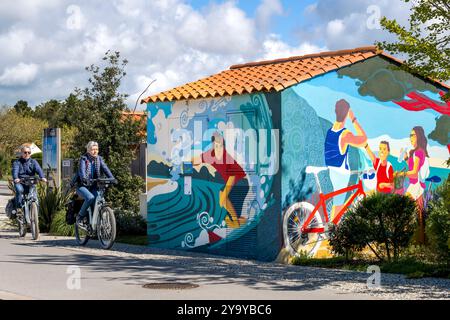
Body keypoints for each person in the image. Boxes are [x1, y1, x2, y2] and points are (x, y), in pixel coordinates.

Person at [193, 132, 249, 229]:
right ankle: (241, 221)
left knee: (222, 196)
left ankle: (236, 221)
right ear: (213, 146)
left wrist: (224, 195)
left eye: (221, 145)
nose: (219, 148)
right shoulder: (210, 155)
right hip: (235, 184)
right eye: (217, 145)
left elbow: (232, 177)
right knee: (227, 217)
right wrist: (185, 166)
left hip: (241, 183)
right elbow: (195, 160)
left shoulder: (227, 158)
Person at [75, 141, 114, 227]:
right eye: (93, 149)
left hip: (93, 185)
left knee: (99, 198)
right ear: (88, 150)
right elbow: (82, 171)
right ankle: (80, 217)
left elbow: (105, 168)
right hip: (82, 185)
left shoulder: (99, 159)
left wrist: (112, 178)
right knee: (90, 197)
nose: (95, 151)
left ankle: (96, 222)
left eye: (96, 149)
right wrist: (84, 179)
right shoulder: (83, 159)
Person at [12, 145, 47, 209]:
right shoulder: (17, 162)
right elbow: (15, 171)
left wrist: (42, 177)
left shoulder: (33, 161)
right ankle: (19, 209)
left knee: (35, 197)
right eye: (25, 152)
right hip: (20, 182)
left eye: (29, 152)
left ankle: (36, 214)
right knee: (20, 190)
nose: (27, 154)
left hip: (30, 181)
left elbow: (38, 169)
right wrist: (16, 178)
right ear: (21, 153)